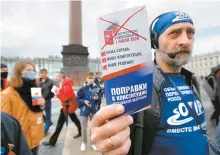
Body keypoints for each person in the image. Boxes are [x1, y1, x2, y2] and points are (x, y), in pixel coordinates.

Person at [90, 11, 210, 155]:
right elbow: (117, 134)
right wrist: (108, 140)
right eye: (174, 33)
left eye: (190, 33)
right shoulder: (138, 86)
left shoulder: (191, 80)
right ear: (154, 41)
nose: (185, 41)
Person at [1, 61, 45, 155]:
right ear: (19, 72)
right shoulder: (7, 94)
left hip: (35, 138)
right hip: (20, 141)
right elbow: (5, 124)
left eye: (33, 70)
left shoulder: (34, 89)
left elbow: (36, 111)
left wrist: (42, 105)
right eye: (28, 70)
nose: (32, 72)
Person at [42, 72, 81, 146]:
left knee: (60, 124)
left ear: (61, 77)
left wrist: (57, 93)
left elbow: (66, 97)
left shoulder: (66, 85)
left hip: (67, 107)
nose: (56, 78)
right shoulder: (64, 84)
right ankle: (80, 131)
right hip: (67, 107)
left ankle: (52, 142)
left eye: (57, 76)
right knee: (74, 119)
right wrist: (59, 91)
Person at [77, 72, 102, 151]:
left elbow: (100, 98)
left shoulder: (96, 87)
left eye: (92, 78)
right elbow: (78, 99)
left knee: (93, 127)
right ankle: (84, 142)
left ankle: (92, 142)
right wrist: (84, 101)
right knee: (84, 128)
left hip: (93, 110)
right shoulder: (82, 88)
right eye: (89, 78)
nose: (91, 80)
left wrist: (97, 98)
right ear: (86, 79)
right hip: (85, 110)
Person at [39, 68, 54, 134]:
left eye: (44, 73)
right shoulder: (38, 81)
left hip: (47, 101)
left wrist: (48, 98)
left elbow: (53, 92)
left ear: (46, 74)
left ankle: (45, 130)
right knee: (39, 114)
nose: (42, 75)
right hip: (39, 101)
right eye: (41, 73)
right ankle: (49, 123)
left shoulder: (50, 82)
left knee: (48, 116)